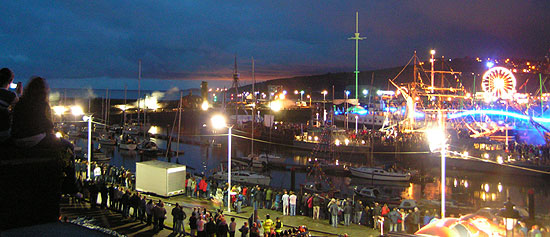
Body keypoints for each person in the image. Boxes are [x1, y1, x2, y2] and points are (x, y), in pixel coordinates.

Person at [0, 68, 19, 144]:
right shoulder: (11, 96)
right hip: (4, 133)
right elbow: (18, 111)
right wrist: (19, 94)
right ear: (10, 81)